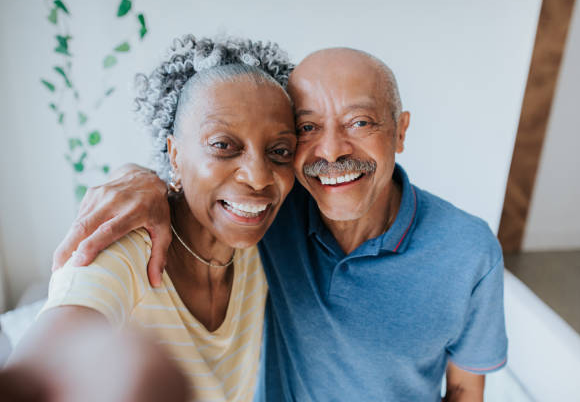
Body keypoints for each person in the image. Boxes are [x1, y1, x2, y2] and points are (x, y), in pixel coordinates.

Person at [54, 47, 508, 401]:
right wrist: (143, 179)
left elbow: (466, 389)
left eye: (361, 121)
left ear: (401, 130)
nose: (331, 151)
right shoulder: (270, 211)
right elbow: (210, 184)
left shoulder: (469, 250)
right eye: (308, 129)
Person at [9, 35, 297, 402]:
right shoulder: (126, 244)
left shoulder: (273, 239)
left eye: (279, 151)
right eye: (223, 145)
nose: (259, 177)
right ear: (174, 154)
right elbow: (49, 358)